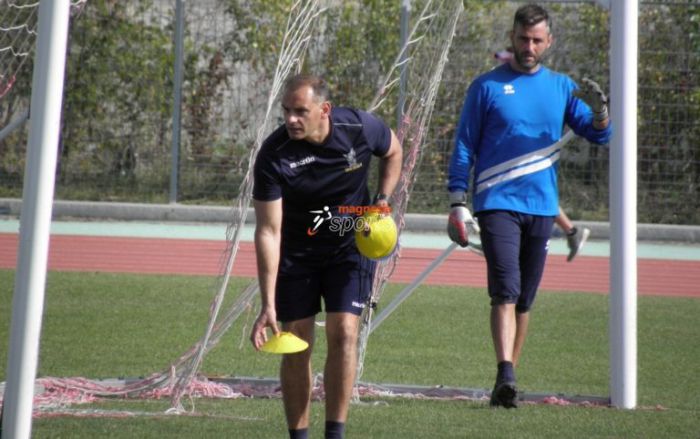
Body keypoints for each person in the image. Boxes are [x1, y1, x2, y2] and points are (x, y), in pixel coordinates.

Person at [447, 4, 611, 408]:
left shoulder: (561, 87)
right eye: (523, 38)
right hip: (497, 202)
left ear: (549, 42)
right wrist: (456, 199)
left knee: (524, 300)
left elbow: (597, 135)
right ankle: (505, 370)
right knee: (505, 288)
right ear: (512, 36)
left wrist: (603, 114)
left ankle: (508, 383)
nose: (529, 46)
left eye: (537, 40)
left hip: (542, 207)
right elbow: (465, 143)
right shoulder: (486, 87)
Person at [249, 74, 402, 438]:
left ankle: (335, 433)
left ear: (324, 110)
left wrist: (381, 199)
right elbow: (268, 231)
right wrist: (267, 303)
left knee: (345, 332)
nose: (291, 119)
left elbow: (393, 150)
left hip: (349, 248)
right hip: (297, 254)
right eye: (286, 111)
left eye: (300, 111)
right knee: (296, 341)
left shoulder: (358, 127)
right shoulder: (274, 155)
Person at [495, 48, 591, 262]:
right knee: (526, 194)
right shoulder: (498, 84)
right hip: (510, 161)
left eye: (503, 60)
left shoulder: (533, 85)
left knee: (535, 195)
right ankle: (572, 232)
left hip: (527, 158)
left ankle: (571, 232)